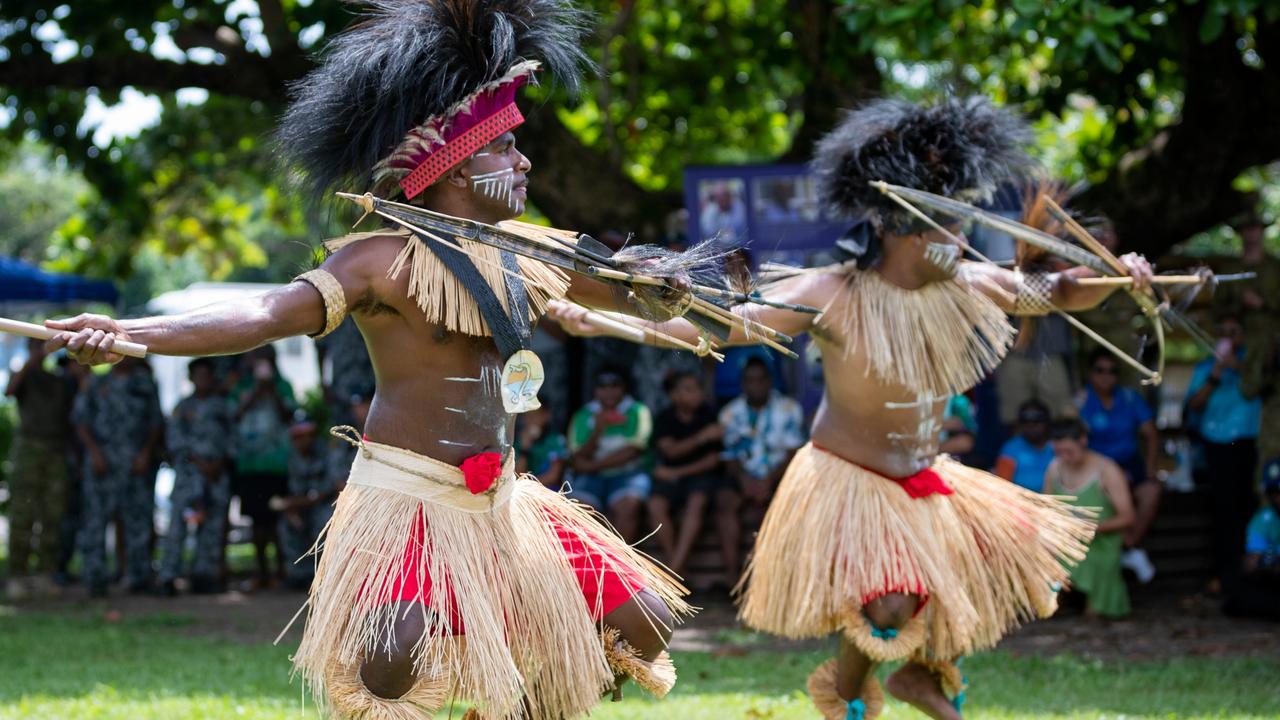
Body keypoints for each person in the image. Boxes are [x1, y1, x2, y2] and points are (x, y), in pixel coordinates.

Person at [44, 2, 689, 716]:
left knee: (649, 618)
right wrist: (134, 333)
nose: (524, 160)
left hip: (504, 499)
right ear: (451, 167)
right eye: (504, 147)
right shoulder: (377, 261)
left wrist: (669, 286)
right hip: (410, 497)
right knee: (388, 663)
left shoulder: (531, 255)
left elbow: (633, 285)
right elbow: (263, 315)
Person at [553, 96, 1157, 719]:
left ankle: (921, 680)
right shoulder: (833, 293)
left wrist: (1120, 277)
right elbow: (726, 325)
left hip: (927, 475)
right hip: (853, 476)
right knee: (889, 607)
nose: (960, 239)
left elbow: (1052, 291)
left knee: (963, 590)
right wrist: (604, 322)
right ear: (898, 226)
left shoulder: (969, 284)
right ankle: (845, 695)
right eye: (945, 225)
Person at [72, 355, 164, 598]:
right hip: (103, 463)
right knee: (95, 522)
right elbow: (80, 422)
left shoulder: (145, 385)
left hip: (136, 464)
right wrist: (94, 454)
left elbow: (156, 422)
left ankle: (138, 578)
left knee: (138, 522)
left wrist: (145, 453)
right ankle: (95, 578)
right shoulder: (95, 383)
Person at [1186, 313, 1263, 586]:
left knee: (1250, 506)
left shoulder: (1254, 366)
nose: (1229, 339)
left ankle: (1251, 574)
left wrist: (1239, 367)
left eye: (1235, 332)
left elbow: (1260, 390)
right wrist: (1216, 375)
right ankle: (1226, 575)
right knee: (1223, 510)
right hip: (1217, 444)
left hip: (1249, 442)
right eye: (1224, 332)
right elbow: (1193, 405)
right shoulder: (1205, 368)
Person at [1077, 349, 1161, 583]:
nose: (1106, 376)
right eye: (1100, 370)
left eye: (1112, 371)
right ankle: (1127, 552)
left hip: (1129, 462)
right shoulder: (1081, 401)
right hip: (1098, 469)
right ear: (1090, 373)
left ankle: (1128, 546)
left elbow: (1151, 434)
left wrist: (1151, 469)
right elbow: (1076, 438)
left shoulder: (1130, 398)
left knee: (1151, 491)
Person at [4, 338, 75, 599]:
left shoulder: (59, 380)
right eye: (35, 347)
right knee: (22, 513)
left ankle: (45, 573)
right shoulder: (23, 374)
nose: (39, 352)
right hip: (28, 450)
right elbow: (9, 392)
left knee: (53, 514)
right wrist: (28, 363)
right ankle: (17, 575)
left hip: (55, 450)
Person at [1044, 418, 1135, 619]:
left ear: (1083, 441)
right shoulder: (1054, 468)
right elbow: (1047, 510)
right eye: (1059, 452)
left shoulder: (1107, 470)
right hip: (1066, 541)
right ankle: (1052, 606)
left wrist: (1092, 529)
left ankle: (1094, 608)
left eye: (1069, 451)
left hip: (1102, 543)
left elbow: (1128, 517)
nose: (1064, 457)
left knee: (1094, 561)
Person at [158, 358, 232, 596]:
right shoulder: (182, 407)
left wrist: (218, 463)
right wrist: (200, 463)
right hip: (189, 476)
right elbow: (175, 442)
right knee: (178, 526)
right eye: (198, 375)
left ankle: (204, 575)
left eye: (207, 375)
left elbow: (234, 439)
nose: (203, 380)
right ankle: (169, 575)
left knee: (212, 527)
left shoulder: (223, 407)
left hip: (217, 476)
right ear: (191, 378)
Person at [228, 346, 296, 590]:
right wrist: (256, 391)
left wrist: (272, 391)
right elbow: (232, 416)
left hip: (276, 463)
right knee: (256, 520)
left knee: (277, 519)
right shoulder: (241, 387)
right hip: (249, 464)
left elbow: (289, 415)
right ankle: (261, 573)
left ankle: (280, 572)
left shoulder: (283, 386)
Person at [647, 371, 726, 578]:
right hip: (674, 477)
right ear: (674, 395)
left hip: (698, 477)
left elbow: (713, 462)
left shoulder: (710, 414)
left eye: (698, 389)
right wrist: (701, 438)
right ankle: (678, 569)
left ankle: (673, 571)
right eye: (688, 389)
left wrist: (675, 472)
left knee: (697, 501)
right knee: (655, 505)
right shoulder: (665, 417)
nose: (696, 394)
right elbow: (670, 451)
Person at [567, 367, 654, 543]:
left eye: (615, 386)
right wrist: (598, 431)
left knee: (627, 508)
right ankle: (592, 566)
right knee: (578, 511)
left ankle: (620, 565)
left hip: (628, 474)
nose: (609, 392)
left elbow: (633, 451)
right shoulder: (584, 415)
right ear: (595, 390)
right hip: (592, 478)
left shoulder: (638, 411)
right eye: (603, 386)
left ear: (624, 388)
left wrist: (592, 466)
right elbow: (577, 455)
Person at [719, 357, 805, 513]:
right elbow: (729, 456)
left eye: (761, 380)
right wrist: (744, 480)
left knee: (795, 499)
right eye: (750, 380)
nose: (756, 385)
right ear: (742, 384)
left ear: (770, 381)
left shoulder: (789, 408)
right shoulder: (729, 413)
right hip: (743, 478)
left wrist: (769, 481)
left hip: (780, 476)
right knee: (725, 502)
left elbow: (794, 454)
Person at [273, 416, 336, 590]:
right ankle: (299, 575)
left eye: (306, 435)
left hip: (327, 503)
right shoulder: (294, 458)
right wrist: (292, 509)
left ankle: (325, 576)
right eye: (297, 436)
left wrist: (293, 503)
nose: (301, 440)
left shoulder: (328, 452)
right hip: (305, 505)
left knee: (324, 520)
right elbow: (297, 490)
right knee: (288, 523)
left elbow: (328, 489)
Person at [1223, 457, 1280, 621]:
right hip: (1273, 579)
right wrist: (1267, 562)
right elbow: (1251, 561)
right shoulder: (1264, 518)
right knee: (1239, 595)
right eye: (1276, 493)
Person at [993, 399, 1055, 492]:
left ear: (1047, 422)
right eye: (1026, 422)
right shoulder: (1010, 449)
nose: (1031, 427)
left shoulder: (1058, 445)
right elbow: (1002, 486)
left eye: (1036, 422)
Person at [514, 402, 569, 490]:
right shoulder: (519, 443)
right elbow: (517, 475)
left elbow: (553, 476)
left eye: (535, 415)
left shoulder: (556, 441)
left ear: (546, 415)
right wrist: (525, 448)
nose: (530, 420)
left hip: (549, 492)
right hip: (524, 493)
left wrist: (526, 489)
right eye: (527, 416)